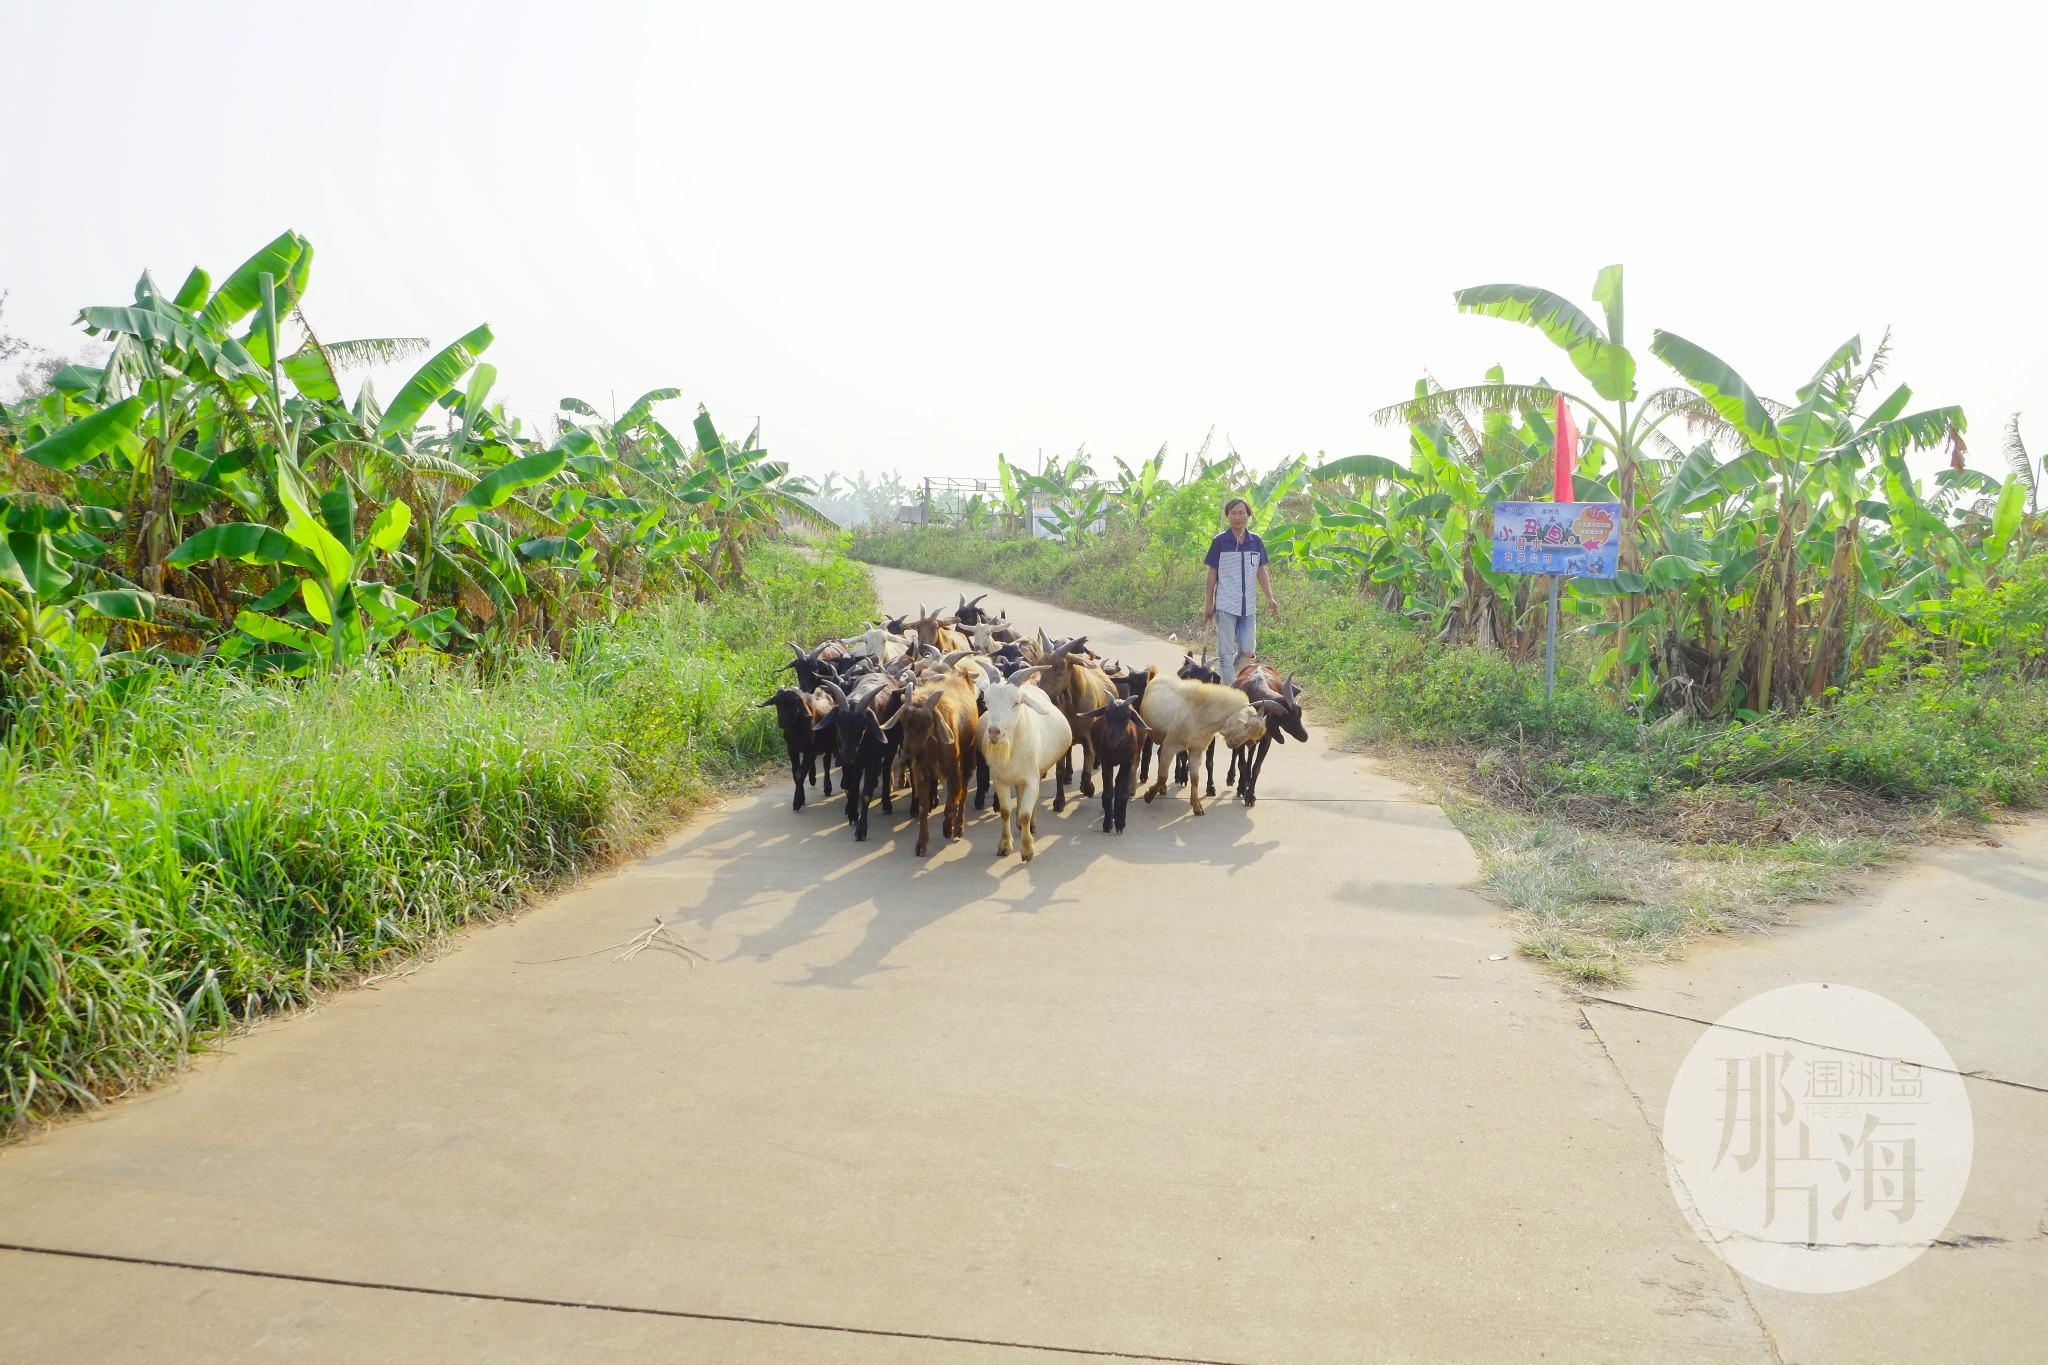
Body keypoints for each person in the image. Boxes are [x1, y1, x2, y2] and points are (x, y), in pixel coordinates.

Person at [1202, 496, 1279, 684]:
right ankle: (1230, 691)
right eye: (1233, 513)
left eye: (1241, 513)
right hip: (1225, 605)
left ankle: (1223, 678)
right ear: (1228, 516)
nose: (1238, 517)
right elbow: (1212, 572)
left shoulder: (1255, 541)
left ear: (1248, 516)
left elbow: (1261, 570)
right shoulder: (1220, 541)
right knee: (1225, 654)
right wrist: (1208, 602)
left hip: (1249, 607)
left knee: (1248, 652)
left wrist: (1270, 597)